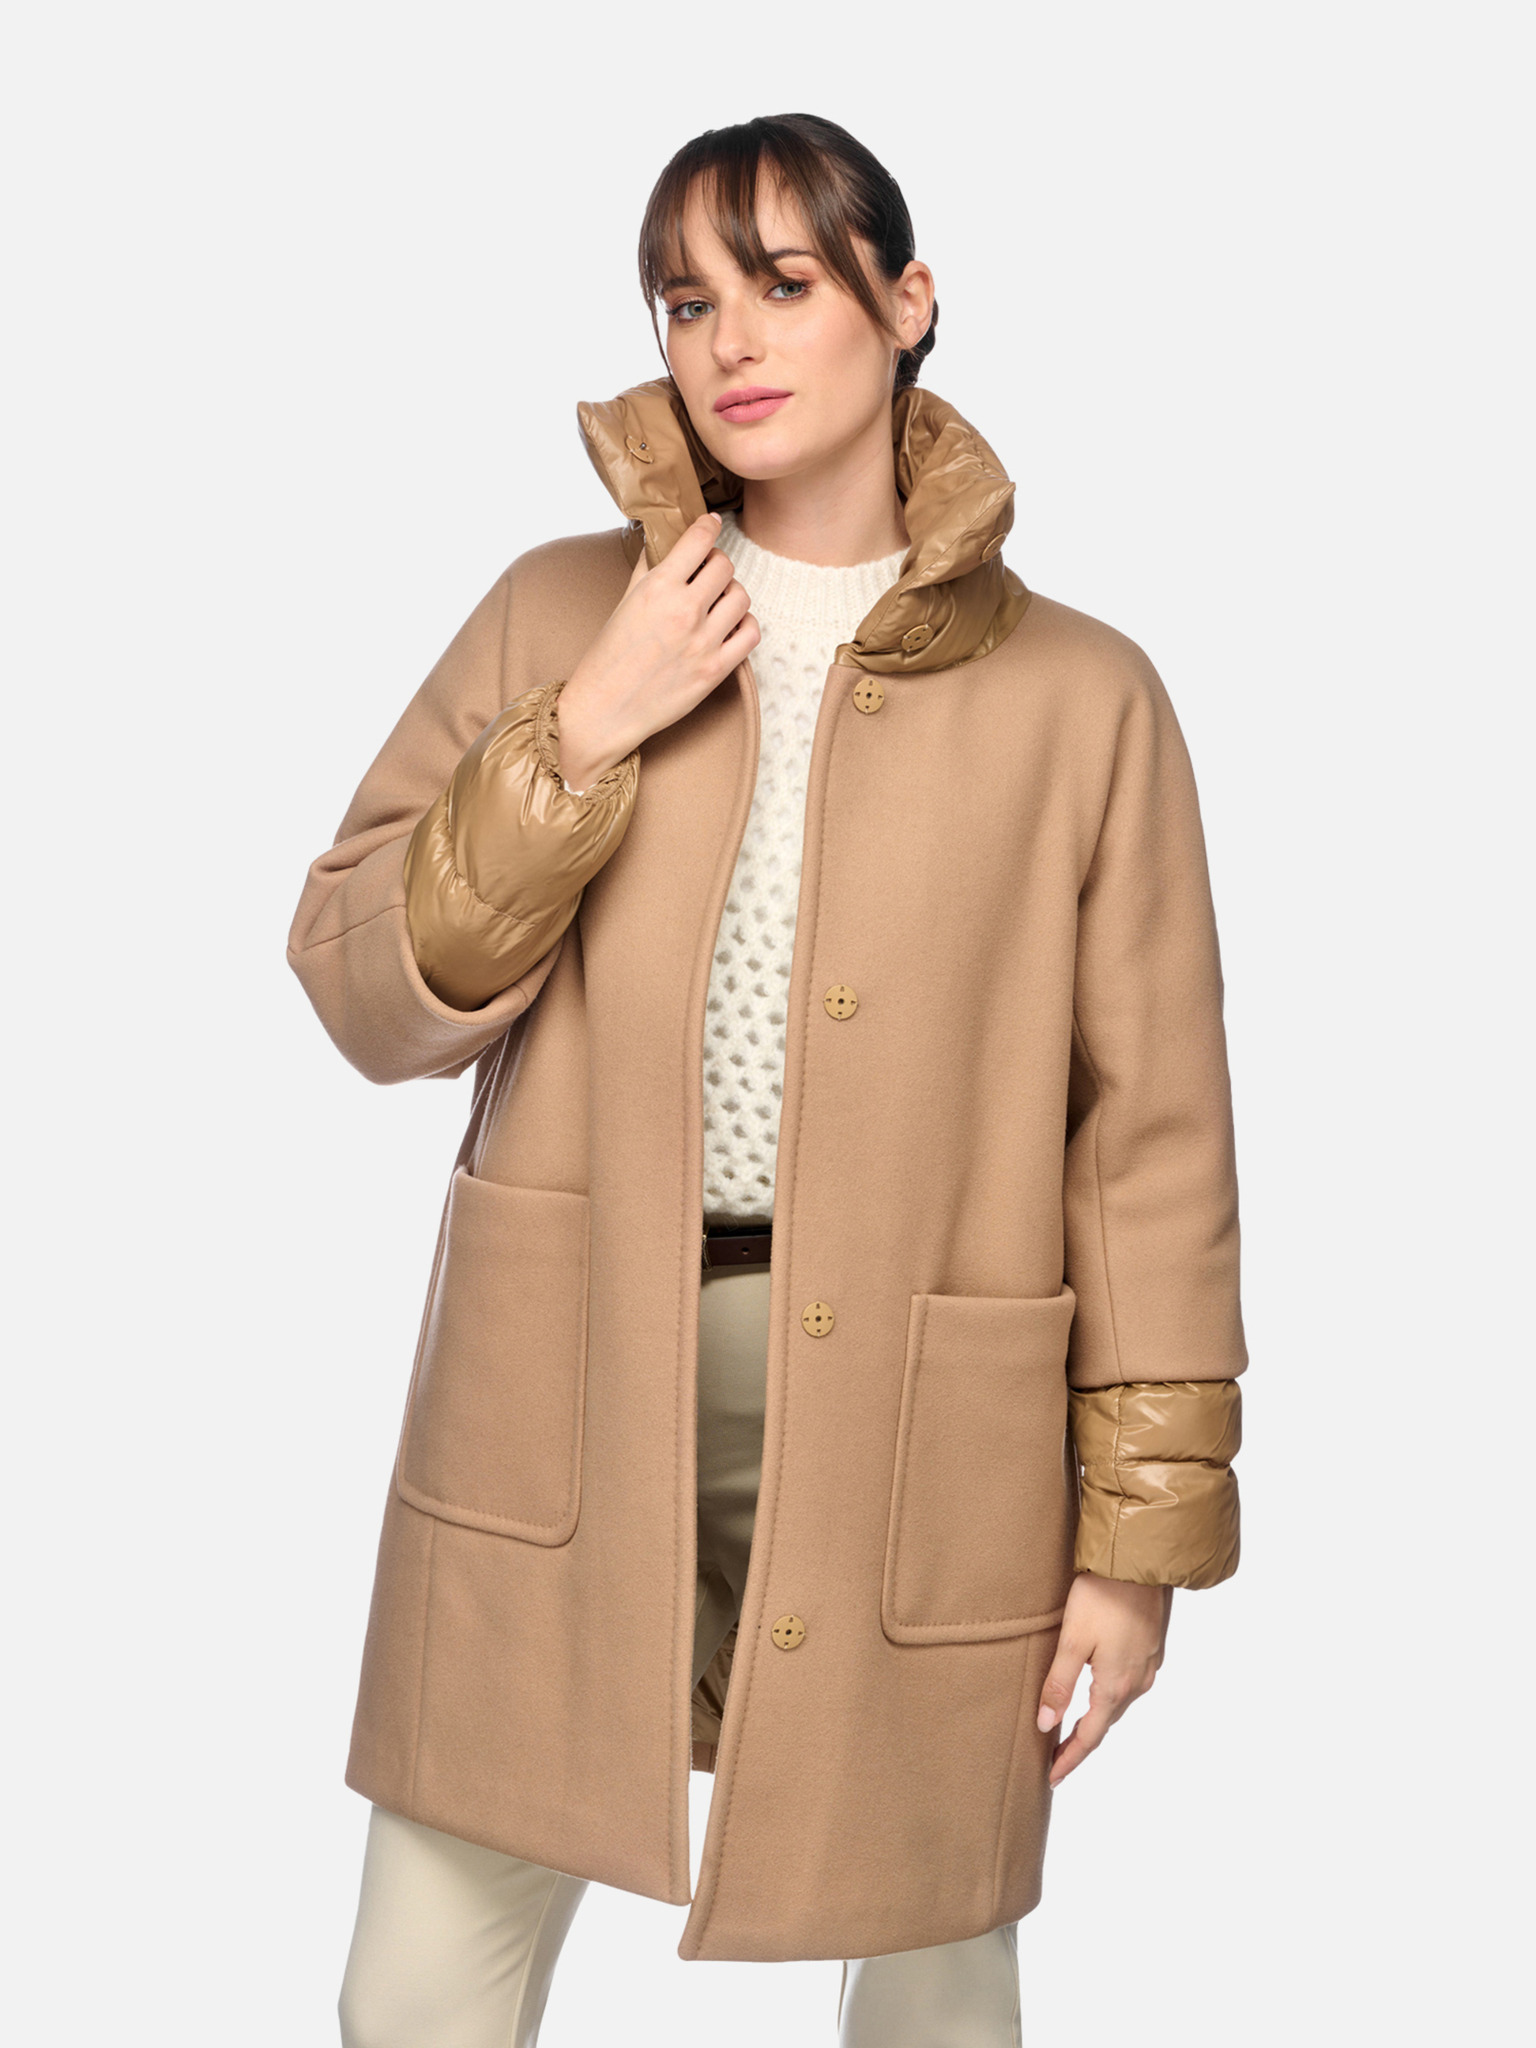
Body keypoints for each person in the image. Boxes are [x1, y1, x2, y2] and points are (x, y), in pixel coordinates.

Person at [287, 112, 1247, 2048]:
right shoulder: (557, 612)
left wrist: (1137, 1550)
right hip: (566, 1380)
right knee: (420, 1989)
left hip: (929, 1423)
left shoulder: (1087, 696)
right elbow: (368, 990)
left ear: (907, 300)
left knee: (937, 1984)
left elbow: (1150, 1148)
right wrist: (587, 725)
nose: (727, 338)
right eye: (683, 299)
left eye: (785, 282)